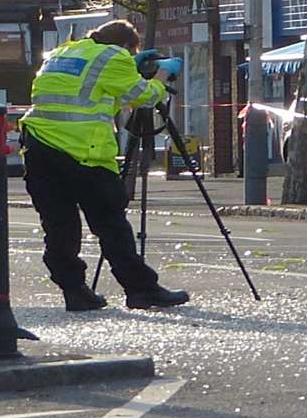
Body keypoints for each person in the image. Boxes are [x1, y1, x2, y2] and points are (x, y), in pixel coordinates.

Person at [19, 19, 190, 312]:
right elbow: (144, 97)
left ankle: (75, 291)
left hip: (39, 149)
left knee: (60, 227)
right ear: (125, 46)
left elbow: (91, 90)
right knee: (111, 225)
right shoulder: (115, 57)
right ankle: (141, 290)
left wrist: (130, 67)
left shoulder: (63, 53)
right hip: (84, 153)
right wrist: (162, 75)